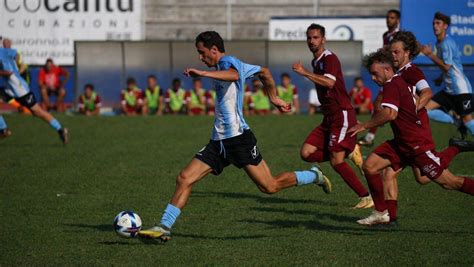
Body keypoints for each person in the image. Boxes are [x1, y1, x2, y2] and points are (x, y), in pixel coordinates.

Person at [138, 31, 332, 241]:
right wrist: (274, 98)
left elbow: (234, 75)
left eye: (202, 53)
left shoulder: (229, 62)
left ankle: (314, 175)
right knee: (184, 178)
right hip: (218, 141)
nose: (200, 57)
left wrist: (202, 74)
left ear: (214, 50)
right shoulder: (234, 65)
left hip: (239, 138)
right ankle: (164, 226)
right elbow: (265, 72)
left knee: (270, 186)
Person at [348, 48, 474, 226]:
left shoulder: (393, 84)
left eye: (375, 74)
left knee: (448, 182)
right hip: (401, 143)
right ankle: (382, 213)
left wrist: (364, 125)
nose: (374, 79)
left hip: (416, 145)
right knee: (371, 167)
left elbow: (390, 114)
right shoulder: (396, 82)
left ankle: (455, 147)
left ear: (387, 70)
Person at [292, 23, 372, 209]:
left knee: (336, 161)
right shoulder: (316, 61)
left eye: (316, 37)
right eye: (309, 38)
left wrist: (305, 73)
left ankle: (367, 197)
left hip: (341, 114)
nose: (312, 41)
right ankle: (350, 151)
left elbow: (329, 83)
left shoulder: (330, 58)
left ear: (324, 39)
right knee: (306, 153)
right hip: (328, 117)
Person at [0, 41, 68, 144]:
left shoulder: (3, 52)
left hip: (20, 89)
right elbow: (15, 54)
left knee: (38, 112)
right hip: (9, 88)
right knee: (37, 112)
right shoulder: (6, 51)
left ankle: (61, 130)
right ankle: (3, 129)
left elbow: (9, 72)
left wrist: (15, 69)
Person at [420, 12, 474, 138]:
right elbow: (448, 68)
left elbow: (446, 66)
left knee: (469, 121)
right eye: (433, 23)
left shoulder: (446, 43)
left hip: (461, 90)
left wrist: (429, 54)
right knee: (424, 110)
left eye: (438, 23)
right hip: (449, 90)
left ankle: (460, 121)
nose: (435, 26)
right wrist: (441, 78)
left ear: (445, 26)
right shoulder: (439, 43)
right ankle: (456, 121)